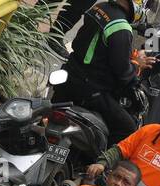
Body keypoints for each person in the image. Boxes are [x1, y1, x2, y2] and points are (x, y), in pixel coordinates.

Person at [55, 0, 150, 141]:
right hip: (91, 89)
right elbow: (123, 74)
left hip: (70, 72)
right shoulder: (121, 28)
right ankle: (100, 162)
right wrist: (137, 64)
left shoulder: (100, 7)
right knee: (128, 128)